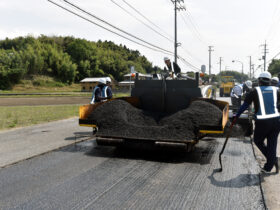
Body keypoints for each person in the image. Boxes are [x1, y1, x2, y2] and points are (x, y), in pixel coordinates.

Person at [235, 72, 280, 173]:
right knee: (272, 144)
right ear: (269, 81)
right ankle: (269, 166)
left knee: (258, 141)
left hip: (263, 122)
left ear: (259, 80)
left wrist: (236, 115)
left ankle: (272, 160)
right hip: (276, 121)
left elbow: (245, 105)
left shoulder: (254, 91)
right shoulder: (277, 90)